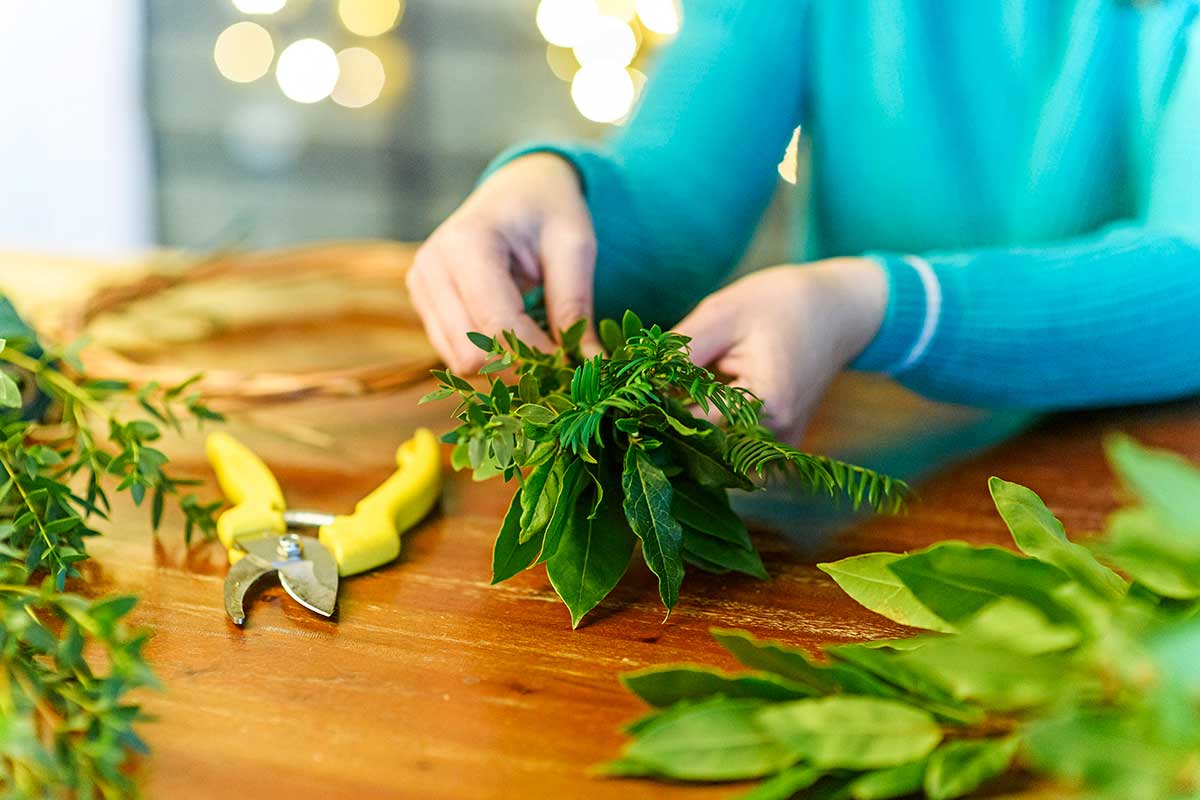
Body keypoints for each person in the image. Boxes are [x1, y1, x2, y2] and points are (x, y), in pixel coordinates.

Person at [407, 1, 1200, 445]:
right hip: (864, 488)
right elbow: (675, 207)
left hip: (1148, 494)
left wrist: (878, 307)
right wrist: (549, 188)